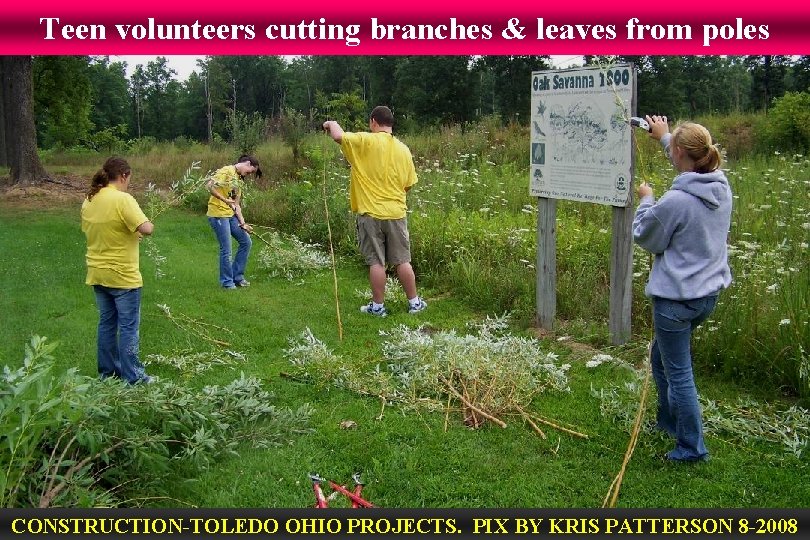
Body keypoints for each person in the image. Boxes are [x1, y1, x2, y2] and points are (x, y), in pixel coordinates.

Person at [633, 115, 732, 462]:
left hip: (675, 301)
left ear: (679, 153)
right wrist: (662, 136)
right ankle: (669, 422)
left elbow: (646, 235)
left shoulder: (675, 201)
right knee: (661, 359)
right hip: (706, 297)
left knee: (679, 372)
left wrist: (646, 199)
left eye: (672, 146)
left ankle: (691, 447)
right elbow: (688, 158)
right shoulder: (720, 187)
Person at [323, 106, 427, 317]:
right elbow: (408, 184)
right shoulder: (403, 149)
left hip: (370, 214)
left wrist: (329, 123)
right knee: (402, 260)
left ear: (373, 121)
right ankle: (414, 303)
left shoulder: (365, 141)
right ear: (391, 124)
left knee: (376, 262)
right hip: (396, 213)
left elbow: (337, 135)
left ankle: (378, 307)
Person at [81, 157, 154, 385]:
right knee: (129, 328)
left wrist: (132, 233)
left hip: (97, 273)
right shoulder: (123, 199)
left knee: (107, 325)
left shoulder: (90, 199)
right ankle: (133, 377)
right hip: (123, 277)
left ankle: (107, 374)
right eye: (129, 178)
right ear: (123, 175)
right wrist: (142, 227)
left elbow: (107, 229)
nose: (129, 183)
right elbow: (147, 228)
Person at [206, 154, 261, 289]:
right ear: (247, 163)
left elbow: (236, 204)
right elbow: (209, 186)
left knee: (246, 242)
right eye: (251, 171)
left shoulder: (239, 180)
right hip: (218, 214)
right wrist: (224, 200)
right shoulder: (226, 171)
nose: (249, 174)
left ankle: (237, 277)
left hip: (230, 215)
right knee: (227, 249)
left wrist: (243, 223)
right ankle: (227, 282)